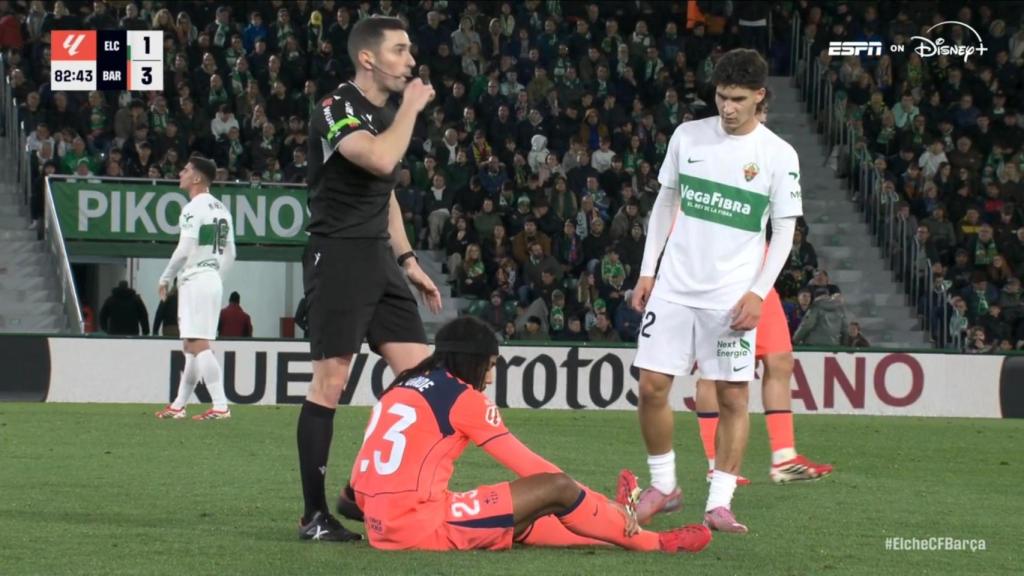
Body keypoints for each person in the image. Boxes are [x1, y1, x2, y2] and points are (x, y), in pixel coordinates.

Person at [342, 317, 712, 553]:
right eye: (489, 367)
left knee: (527, 516)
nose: (489, 377)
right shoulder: (464, 398)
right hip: (419, 525)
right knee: (557, 490)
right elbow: (533, 468)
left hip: (384, 523)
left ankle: (619, 516)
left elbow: (353, 491)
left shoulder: (401, 387)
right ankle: (655, 542)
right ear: (472, 361)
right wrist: (591, 495)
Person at [627, 49, 801, 534]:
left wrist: (759, 293)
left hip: (730, 298)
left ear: (760, 97)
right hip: (675, 288)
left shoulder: (778, 155)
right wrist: (648, 270)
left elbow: (784, 232)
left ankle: (719, 502)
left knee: (731, 397)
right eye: (722, 97)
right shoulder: (688, 136)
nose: (727, 108)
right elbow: (666, 201)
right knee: (651, 387)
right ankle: (664, 486)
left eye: (738, 99)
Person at [297, 16, 441, 542]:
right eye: (400, 51)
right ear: (368, 59)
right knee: (331, 381)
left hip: (378, 259)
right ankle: (313, 517)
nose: (410, 60)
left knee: (423, 377)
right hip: (337, 256)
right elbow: (381, 162)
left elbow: (387, 197)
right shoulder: (336, 109)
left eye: (410, 51)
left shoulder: (381, 113)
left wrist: (407, 261)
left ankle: (358, 492)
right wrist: (409, 109)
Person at [687, 96, 832, 487]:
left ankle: (783, 456)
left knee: (781, 359)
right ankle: (715, 462)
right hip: (717, 278)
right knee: (713, 376)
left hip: (757, 274)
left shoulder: (772, 155)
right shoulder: (704, 155)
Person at [154, 154, 236, 421]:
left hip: (196, 279)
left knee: (198, 343)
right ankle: (179, 404)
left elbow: (185, 248)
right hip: (210, 278)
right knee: (190, 346)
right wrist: (214, 277)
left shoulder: (192, 208)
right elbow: (231, 253)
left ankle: (221, 405)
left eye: (186, 170)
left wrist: (166, 277)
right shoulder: (222, 210)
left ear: (198, 178)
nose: (181, 173)